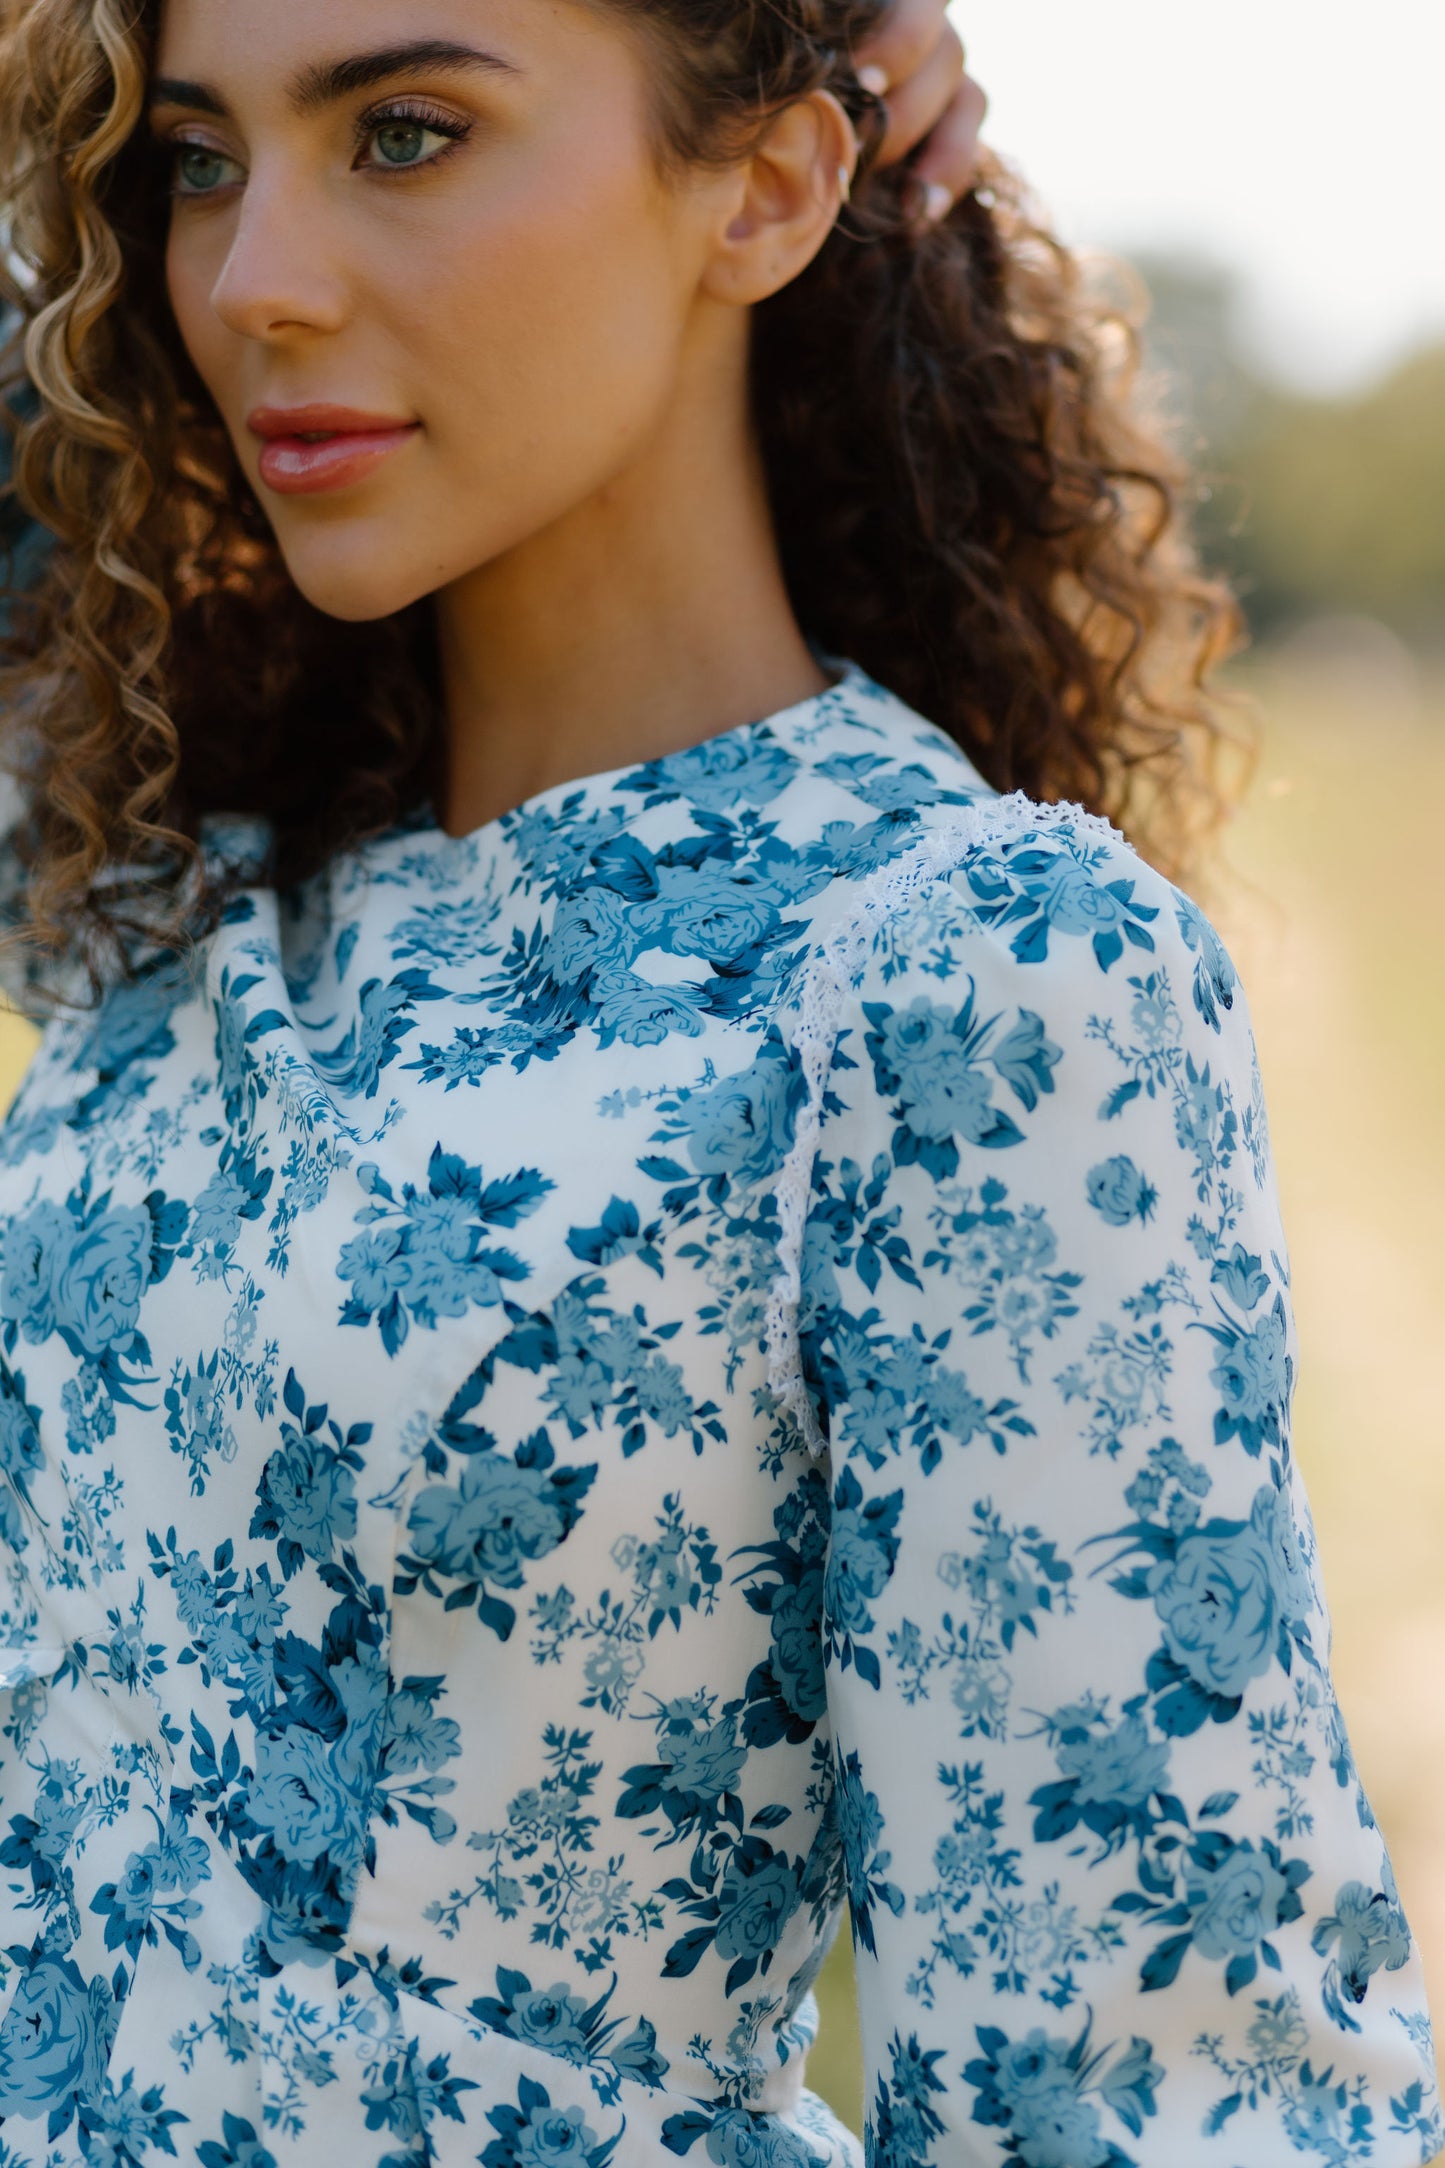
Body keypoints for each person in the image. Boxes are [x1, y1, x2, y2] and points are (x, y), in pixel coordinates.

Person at [0, 0, 1438, 2162]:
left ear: (763, 187)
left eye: (401, 131)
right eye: (201, 159)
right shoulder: (161, 871)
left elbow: (1156, 2084)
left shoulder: (969, 977)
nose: (252, 278)